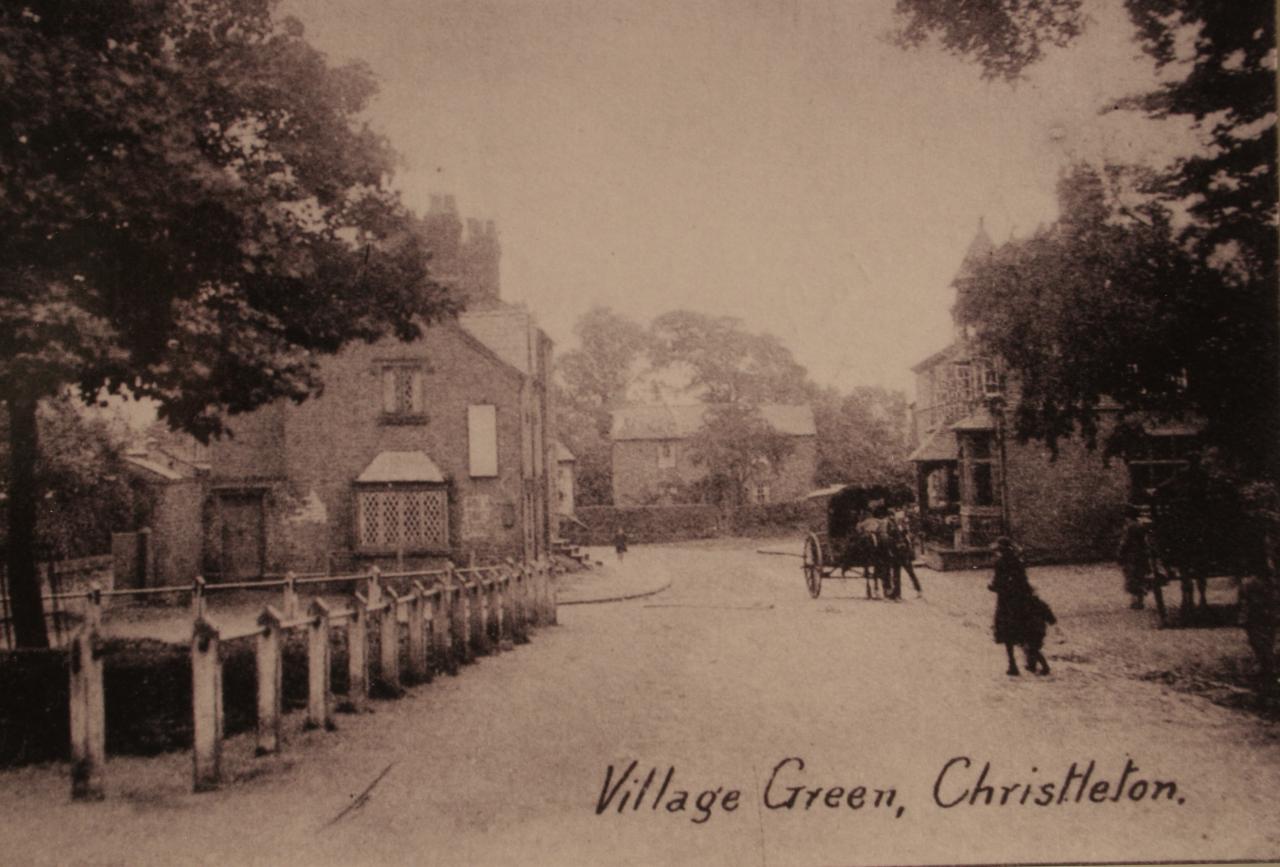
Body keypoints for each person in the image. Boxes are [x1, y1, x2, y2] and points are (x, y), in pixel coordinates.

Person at [989, 537, 1055, 676]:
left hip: (1006, 602)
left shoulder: (1000, 563)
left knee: (1008, 635)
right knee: (1024, 633)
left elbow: (997, 584)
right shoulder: (1018, 561)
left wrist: (992, 587)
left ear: (1000, 550)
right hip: (1021, 601)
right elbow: (1024, 582)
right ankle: (1036, 664)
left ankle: (1012, 665)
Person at [1116, 505, 1150, 610]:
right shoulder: (1140, 526)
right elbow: (1145, 542)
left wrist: (1119, 553)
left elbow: (1124, 542)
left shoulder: (1129, 527)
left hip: (1131, 556)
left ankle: (1135, 601)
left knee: (1132, 577)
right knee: (1140, 576)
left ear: (1128, 516)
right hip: (1141, 555)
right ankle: (1140, 600)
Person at [887, 510, 923, 598]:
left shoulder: (898, 529)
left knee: (903, 573)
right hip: (902, 554)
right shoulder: (901, 529)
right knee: (904, 573)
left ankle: (901, 592)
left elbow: (894, 540)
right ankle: (900, 592)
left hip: (900, 554)